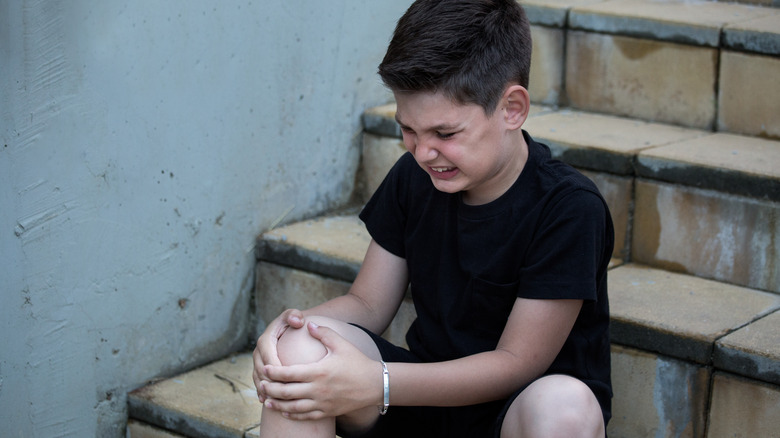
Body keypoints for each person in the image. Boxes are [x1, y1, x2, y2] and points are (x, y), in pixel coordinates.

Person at [252, 0, 614, 436]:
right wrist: (287, 326)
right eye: (408, 129)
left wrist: (379, 383)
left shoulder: (568, 207)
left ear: (512, 108)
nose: (423, 152)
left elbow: (516, 364)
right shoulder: (415, 176)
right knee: (296, 349)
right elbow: (367, 305)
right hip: (421, 399)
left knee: (565, 405)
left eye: (445, 133)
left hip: (516, 413)